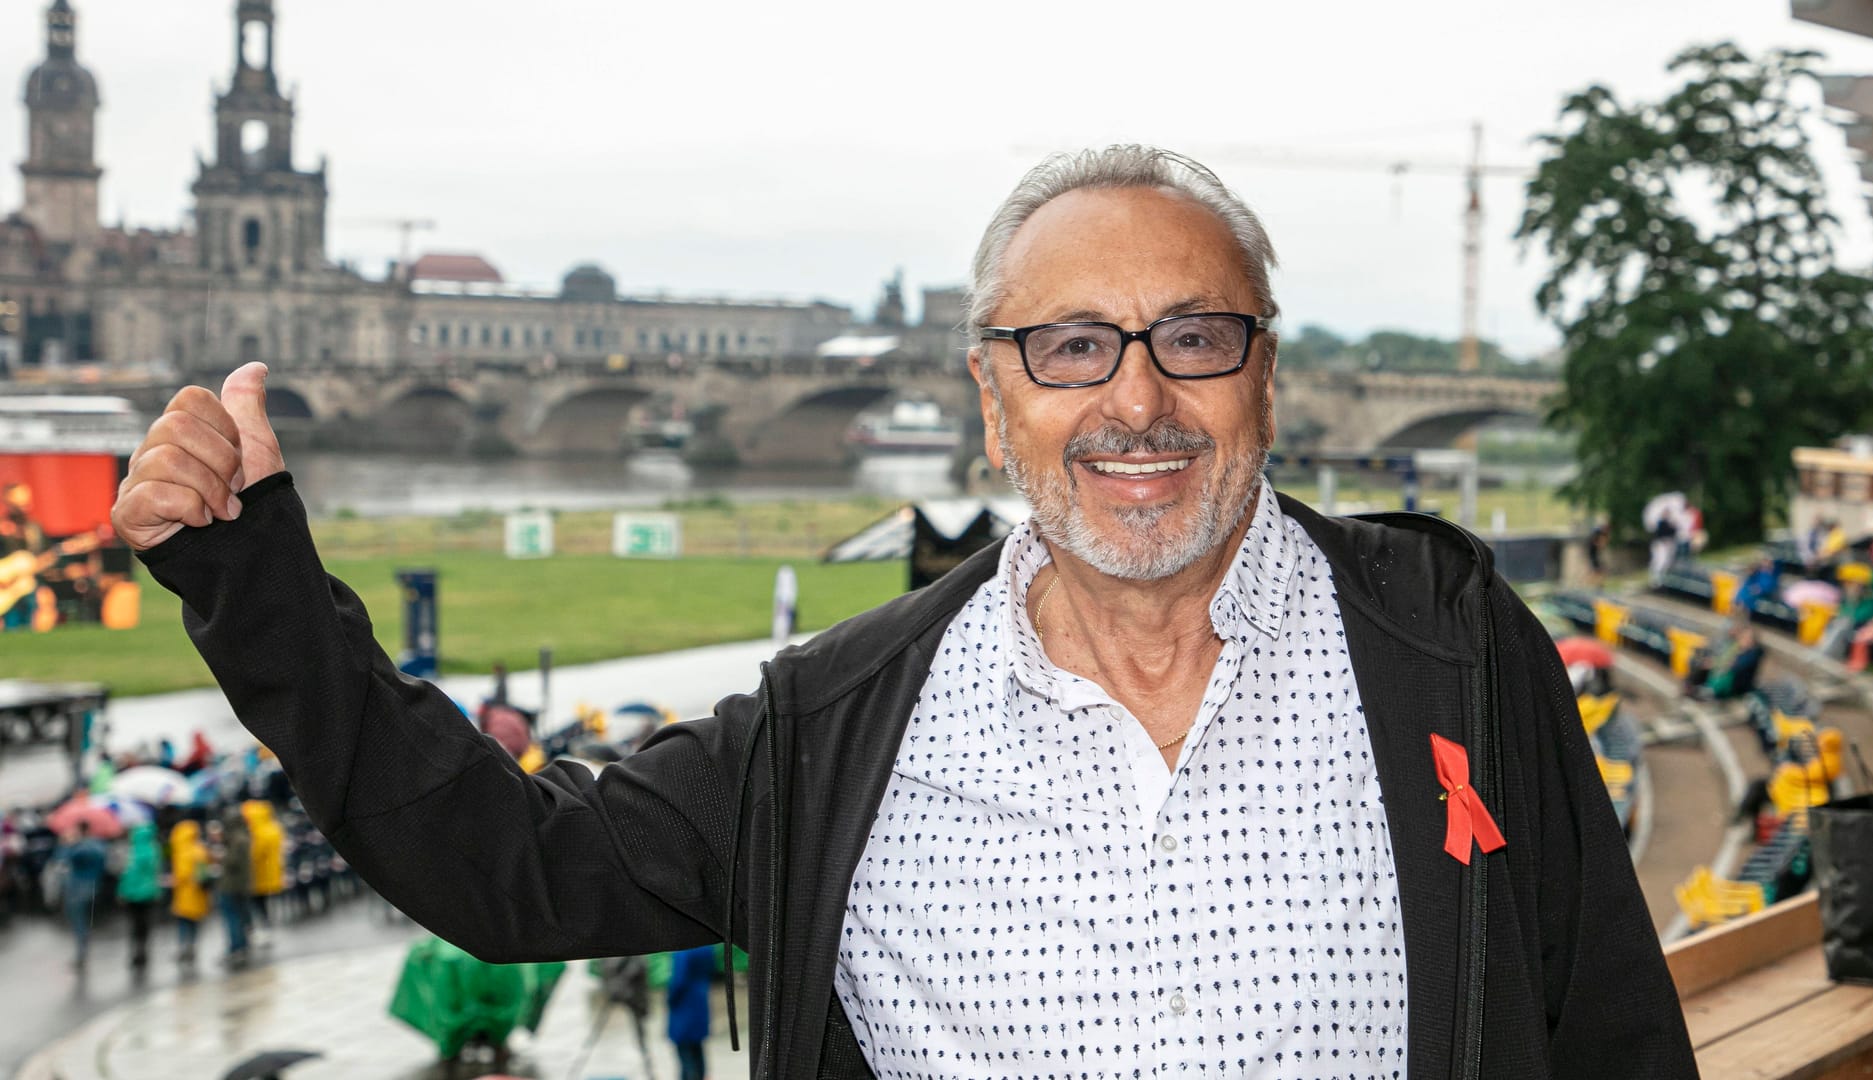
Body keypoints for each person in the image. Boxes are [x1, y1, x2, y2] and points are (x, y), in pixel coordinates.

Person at [112, 145, 1694, 1077]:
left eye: (1193, 338)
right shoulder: (838, 722)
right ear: (992, 400)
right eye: (1070, 348)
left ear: (1266, 375)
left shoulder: (1447, 640)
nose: (1135, 400)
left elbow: (1607, 1019)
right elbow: (510, 870)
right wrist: (253, 579)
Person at [52, 819, 108, 969]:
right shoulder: (99, 844)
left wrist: (65, 843)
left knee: (78, 922)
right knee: (86, 921)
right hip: (93, 886)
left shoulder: (76, 847)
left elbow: (61, 861)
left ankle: (81, 953)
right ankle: (83, 950)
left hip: (76, 889)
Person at [117, 820, 163, 971]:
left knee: (134, 924)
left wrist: (121, 891)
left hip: (132, 894)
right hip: (149, 893)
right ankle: (143, 951)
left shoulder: (133, 852)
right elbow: (157, 873)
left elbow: (127, 875)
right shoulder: (154, 850)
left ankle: (136, 952)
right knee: (145, 924)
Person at [211, 808, 252, 967]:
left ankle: (236, 948)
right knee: (240, 917)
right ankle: (242, 946)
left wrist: (220, 856)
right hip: (241, 884)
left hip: (231, 885)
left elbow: (233, 862)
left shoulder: (237, 839)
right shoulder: (243, 836)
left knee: (232, 918)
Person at [167, 819, 210, 968]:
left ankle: (183, 947)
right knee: (194, 923)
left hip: (185, 893)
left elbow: (182, 874)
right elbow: (203, 873)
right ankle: (192, 947)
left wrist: (173, 880)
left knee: (184, 922)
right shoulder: (200, 849)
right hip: (198, 895)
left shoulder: (183, 852)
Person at [242, 799, 284, 946]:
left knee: (257, 904)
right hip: (272, 872)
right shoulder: (273, 827)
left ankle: (261, 931)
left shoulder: (258, 832)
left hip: (258, 875)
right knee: (264, 904)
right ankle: (266, 929)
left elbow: (256, 854)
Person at [667, 947, 714, 1080]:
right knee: (698, 1051)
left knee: (685, 1057)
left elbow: (678, 980)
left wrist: (670, 999)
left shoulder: (684, 949)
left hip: (684, 1006)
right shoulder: (707, 946)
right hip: (701, 999)